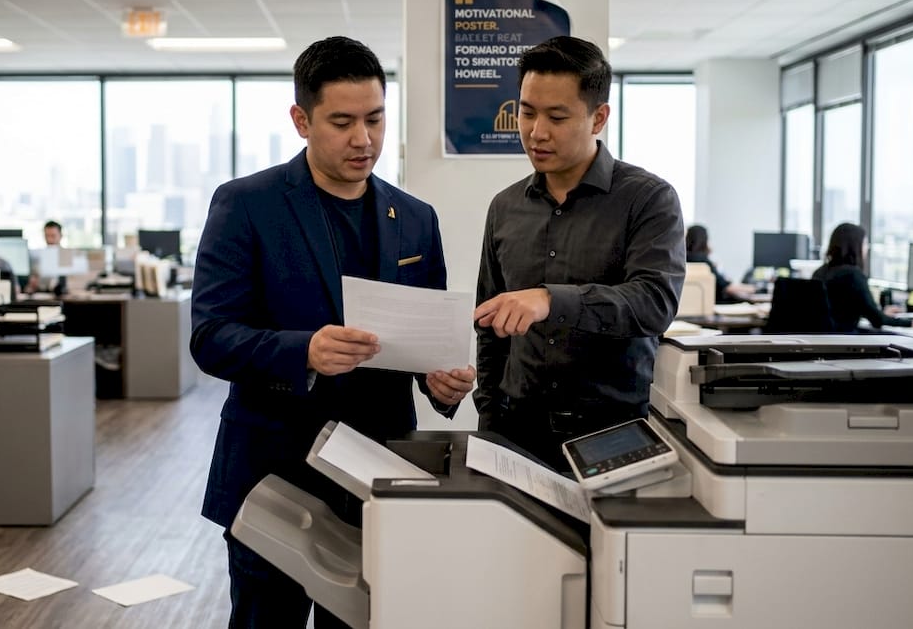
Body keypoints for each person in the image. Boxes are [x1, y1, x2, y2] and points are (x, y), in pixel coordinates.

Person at [190, 35, 475, 629]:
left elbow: (427, 342)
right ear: (302, 119)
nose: (363, 139)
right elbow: (211, 336)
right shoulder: (246, 204)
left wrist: (440, 382)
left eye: (374, 119)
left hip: (381, 464)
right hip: (274, 465)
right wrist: (306, 352)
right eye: (341, 122)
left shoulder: (416, 218)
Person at [473, 35, 686, 471]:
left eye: (557, 116)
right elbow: (490, 325)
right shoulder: (505, 207)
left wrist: (552, 299)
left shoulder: (647, 199)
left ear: (598, 117)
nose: (537, 131)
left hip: (614, 432)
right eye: (527, 112)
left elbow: (654, 302)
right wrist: (489, 413)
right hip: (517, 431)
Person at [812, 222, 913, 333]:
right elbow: (878, 320)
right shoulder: (854, 275)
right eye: (865, 243)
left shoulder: (820, 272)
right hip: (844, 342)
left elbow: (842, 310)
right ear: (855, 246)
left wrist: (880, 313)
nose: (866, 248)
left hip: (822, 339)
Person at [685, 224, 755, 302]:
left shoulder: (684, 259)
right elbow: (727, 287)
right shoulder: (703, 261)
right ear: (704, 240)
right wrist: (755, 288)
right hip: (716, 303)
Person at [25, 220, 67, 295]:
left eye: (53, 236)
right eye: (47, 236)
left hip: (62, 296)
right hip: (42, 294)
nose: (49, 240)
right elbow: (31, 285)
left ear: (61, 236)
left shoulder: (67, 256)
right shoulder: (37, 257)